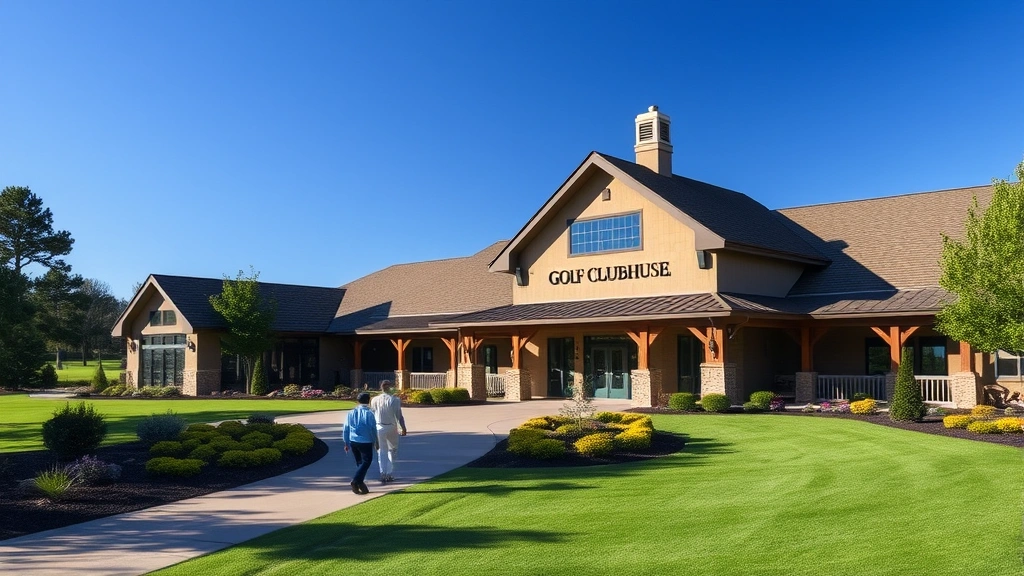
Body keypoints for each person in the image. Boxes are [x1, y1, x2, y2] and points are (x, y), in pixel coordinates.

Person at [369, 379, 407, 483]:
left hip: (379, 427)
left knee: (381, 451)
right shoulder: (394, 400)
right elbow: (399, 416)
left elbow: (372, 415)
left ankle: (383, 473)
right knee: (392, 450)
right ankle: (388, 473)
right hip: (391, 427)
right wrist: (403, 428)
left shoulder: (374, 400)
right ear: (389, 387)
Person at [342, 392, 377, 495]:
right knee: (367, 461)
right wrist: (376, 441)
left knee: (360, 462)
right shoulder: (370, 413)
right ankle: (356, 481)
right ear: (369, 400)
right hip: (366, 441)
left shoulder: (351, 413)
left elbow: (346, 428)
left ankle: (360, 483)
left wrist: (346, 442)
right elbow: (373, 429)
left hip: (353, 441)